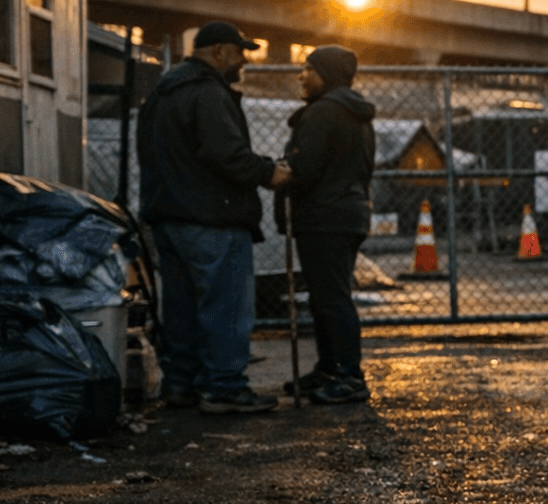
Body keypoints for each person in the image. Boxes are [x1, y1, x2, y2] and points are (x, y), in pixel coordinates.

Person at [138, 20, 291, 414]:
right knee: (226, 307)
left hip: (168, 217)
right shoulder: (208, 93)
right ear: (220, 52)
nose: (242, 61)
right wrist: (267, 172)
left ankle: (181, 385)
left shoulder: (163, 91)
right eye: (239, 52)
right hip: (212, 217)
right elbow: (225, 153)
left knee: (181, 310)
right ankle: (223, 388)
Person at [276, 45, 376, 405]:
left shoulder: (323, 113)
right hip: (347, 212)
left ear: (327, 74)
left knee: (330, 297)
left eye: (309, 69)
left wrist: (284, 171)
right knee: (328, 295)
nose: (301, 76)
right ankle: (331, 367)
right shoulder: (355, 114)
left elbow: (307, 168)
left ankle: (348, 374)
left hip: (324, 215)